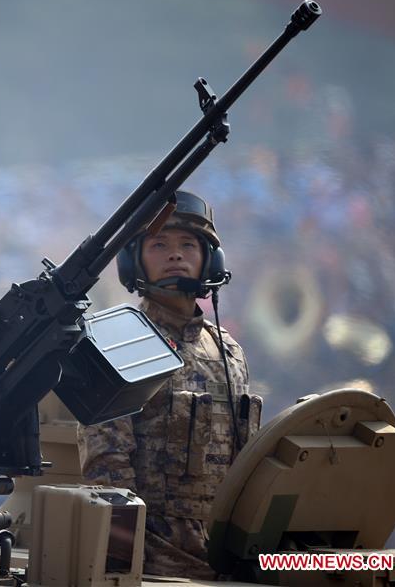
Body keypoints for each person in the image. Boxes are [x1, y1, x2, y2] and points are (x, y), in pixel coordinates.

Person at [77, 191, 261, 579]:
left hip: (224, 556)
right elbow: (107, 467)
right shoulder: (117, 341)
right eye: (159, 244)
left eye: (188, 245)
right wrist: (126, 562)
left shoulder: (229, 350)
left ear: (210, 259)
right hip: (154, 563)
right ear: (135, 260)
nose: (175, 255)